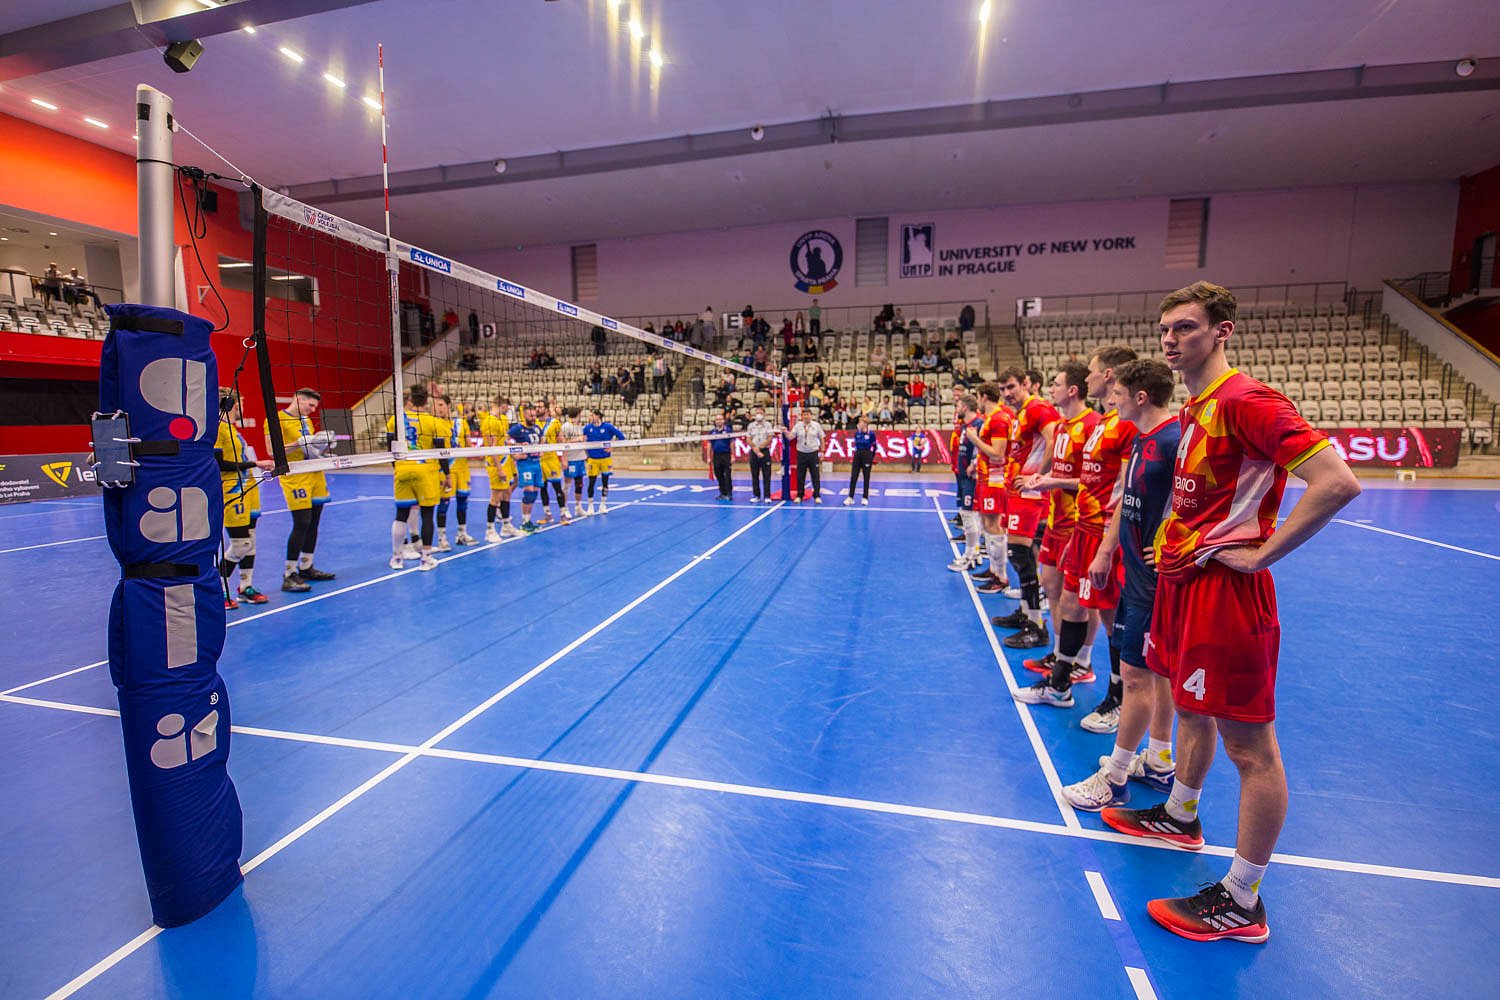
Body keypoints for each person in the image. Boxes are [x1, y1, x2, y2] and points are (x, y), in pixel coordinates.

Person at [1100, 281, 1361, 944]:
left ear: (1222, 331)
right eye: (1165, 329)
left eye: (1186, 327)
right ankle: (1180, 814)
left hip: (1227, 595)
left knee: (1251, 747)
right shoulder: (1196, 407)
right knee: (1192, 711)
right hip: (1186, 588)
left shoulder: (1247, 400)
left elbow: (1336, 481)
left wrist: (1262, 554)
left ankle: (1243, 900)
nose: (1170, 339)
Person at [1061, 358, 1180, 810]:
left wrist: (1176, 544)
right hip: (1133, 572)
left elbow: (1200, 504)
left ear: (1140, 397)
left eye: (1119, 394)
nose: (1112, 400)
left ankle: (1114, 777)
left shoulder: (1172, 440)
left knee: (1136, 676)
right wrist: (1107, 551)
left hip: (1153, 580)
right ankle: (1159, 760)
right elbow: (1127, 501)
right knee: (1150, 671)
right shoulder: (1144, 438)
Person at [1010, 362, 1100, 700]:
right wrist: (1041, 478)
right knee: (1052, 586)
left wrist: (1052, 482)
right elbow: (1060, 472)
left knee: (1080, 599)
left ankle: (1081, 661)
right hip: (1056, 520)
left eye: (1056, 384)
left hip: (1079, 523)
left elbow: (1097, 481)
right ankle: (1062, 654)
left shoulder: (1092, 425)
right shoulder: (1062, 425)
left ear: (1072, 390)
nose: (1051, 389)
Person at [987, 368, 1058, 636]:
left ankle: (1035, 622)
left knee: (1019, 553)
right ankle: (1028, 612)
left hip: (1030, 493)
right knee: (1026, 553)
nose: (1007, 393)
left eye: (1011, 387)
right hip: (1019, 492)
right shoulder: (1021, 413)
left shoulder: (1038, 408)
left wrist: (1038, 476)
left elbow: (1053, 440)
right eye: (1002, 389)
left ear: (1025, 383)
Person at [266, 387, 337, 591]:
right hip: (295, 477)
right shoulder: (276, 419)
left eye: (315, 407)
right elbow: (272, 451)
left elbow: (310, 448)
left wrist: (323, 446)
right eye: (310, 405)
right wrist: (298, 443)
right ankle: (289, 574)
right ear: (298, 399)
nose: (312, 410)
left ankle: (306, 567)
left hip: (314, 473)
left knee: (314, 522)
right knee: (302, 523)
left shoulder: (306, 420)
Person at [215, 391, 275, 610]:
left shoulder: (232, 428)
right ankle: (217, 589)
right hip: (232, 490)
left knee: (250, 541)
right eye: (239, 404)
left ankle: (245, 587)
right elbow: (218, 463)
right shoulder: (217, 428)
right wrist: (255, 464)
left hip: (248, 489)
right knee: (241, 544)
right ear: (228, 404)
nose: (242, 408)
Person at [387, 384, 447, 570]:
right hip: (426, 470)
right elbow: (441, 451)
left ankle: (397, 558)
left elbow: (390, 447)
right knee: (427, 515)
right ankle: (426, 559)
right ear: (427, 401)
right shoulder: (433, 422)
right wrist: (447, 474)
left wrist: (398, 468)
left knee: (401, 515)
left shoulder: (396, 420)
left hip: (402, 468)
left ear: (410, 400)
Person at [965, 382, 1013, 591]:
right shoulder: (990, 419)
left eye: (978, 397)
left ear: (984, 397)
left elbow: (998, 453)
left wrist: (975, 439)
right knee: (986, 522)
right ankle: (994, 569)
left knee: (993, 524)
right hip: (985, 477)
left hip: (995, 479)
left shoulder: (999, 419)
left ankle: (1001, 576)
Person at [432, 396, 477, 550]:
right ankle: (442, 538)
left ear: (448, 405)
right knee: (444, 503)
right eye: (436, 405)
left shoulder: (461, 423)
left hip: (462, 469)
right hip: (445, 470)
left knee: (463, 501)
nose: (438, 408)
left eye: (441, 405)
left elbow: (469, 444)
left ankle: (462, 534)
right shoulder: (435, 424)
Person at [948, 394, 986, 570]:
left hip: (972, 477)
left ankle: (970, 556)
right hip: (964, 475)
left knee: (969, 514)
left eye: (958, 406)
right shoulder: (966, 426)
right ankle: (974, 553)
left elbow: (981, 448)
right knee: (968, 514)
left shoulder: (978, 424)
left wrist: (974, 464)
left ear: (965, 407)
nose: (956, 410)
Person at [480, 397, 518, 541]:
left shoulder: (503, 419)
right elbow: (492, 447)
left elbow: (504, 441)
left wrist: (514, 451)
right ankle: (490, 530)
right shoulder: (490, 422)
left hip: (506, 460)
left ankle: (506, 525)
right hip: (496, 463)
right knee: (495, 497)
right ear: (502, 405)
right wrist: (499, 468)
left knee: (507, 492)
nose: (508, 409)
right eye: (507, 406)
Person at [507, 402, 546, 532]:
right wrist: (515, 455)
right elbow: (506, 440)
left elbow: (541, 439)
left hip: (536, 463)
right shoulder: (517, 429)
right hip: (525, 464)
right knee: (528, 492)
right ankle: (524, 522)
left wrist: (541, 449)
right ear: (524, 415)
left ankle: (529, 521)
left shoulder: (537, 428)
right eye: (531, 416)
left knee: (534, 493)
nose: (533, 418)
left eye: (534, 416)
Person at [583, 409, 626, 513]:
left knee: (605, 483)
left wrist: (613, 447)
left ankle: (603, 504)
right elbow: (584, 442)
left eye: (592, 415)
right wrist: (586, 454)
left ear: (598, 416)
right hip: (593, 460)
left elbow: (622, 437)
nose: (590, 417)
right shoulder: (587, 428)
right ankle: (590, 506)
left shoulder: (608, 427)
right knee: (591, 483)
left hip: (605, 459)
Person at [788, 408, 825, 502]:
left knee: (815, 475)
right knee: (800, 476)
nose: (806, 416)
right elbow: (790, 437)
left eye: (808, 414)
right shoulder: (798, 426)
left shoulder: (816, 425)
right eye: (804, 415)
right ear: (802, 416)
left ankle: (817, 496)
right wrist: (785, 432)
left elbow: (822, 438)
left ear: (811, 415)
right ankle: (800, 495)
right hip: (801, 453)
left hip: (813, 453)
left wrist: (822, 451)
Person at [843, 415, 877, 505]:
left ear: (865, 424)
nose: (859, 424)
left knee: (866, 477)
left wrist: (871, 457)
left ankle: (865, 497)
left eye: (860, 422)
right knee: (854, 476)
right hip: (858, 455)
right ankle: (850, 497)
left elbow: (875, 446)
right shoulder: (857, 433)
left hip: (867, 455)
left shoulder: (871, 434)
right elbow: (856, 444)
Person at [744, 405, 776, 502]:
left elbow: (770, 437)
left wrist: (761, 447)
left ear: (764, 414)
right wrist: (755, 449)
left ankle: (767, 496)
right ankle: (756, 495)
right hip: (754, 452)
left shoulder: (768, 425)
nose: (759, 415)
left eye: (761, 413)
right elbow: (748, 439)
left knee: (767, 475)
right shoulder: (751, 426)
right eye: (757, 413)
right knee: (754, 475)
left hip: (764, 451)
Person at [709, 411, 735, 500]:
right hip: (716, 455)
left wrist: (733, 455)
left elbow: (732, 443)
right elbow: (709, 444)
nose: (719, 421)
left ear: (723, 421)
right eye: (717, 420)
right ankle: (722, 493)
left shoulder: (728, 430)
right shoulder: (712, 432)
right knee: (718, 474)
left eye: (720, 419)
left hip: (726, 455)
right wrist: (709, 457)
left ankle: (729, 493)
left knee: (727, 474)